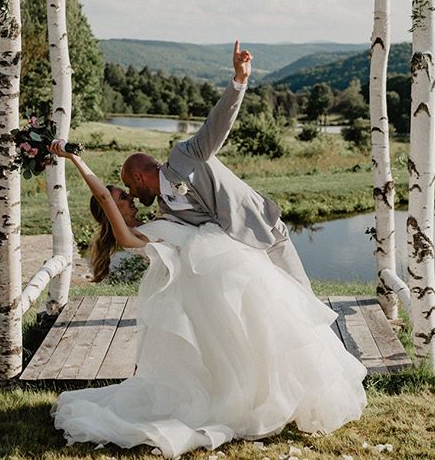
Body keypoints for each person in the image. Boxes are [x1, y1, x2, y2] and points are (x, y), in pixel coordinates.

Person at [48, 146, 367, 457]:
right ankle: (248, 405)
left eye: (126, 191)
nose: (129, 197)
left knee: (261, 337)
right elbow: (103, 195)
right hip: (212, 286)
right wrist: (76, 160)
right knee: (243, 347)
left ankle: (279, 401)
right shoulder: (130, 235)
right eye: (122, 196)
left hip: (223, 279)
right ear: (110, 208)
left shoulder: (158, 218)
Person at [119, 40, 311, 288]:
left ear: (139, 177)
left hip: (263, 230)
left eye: (129, 185)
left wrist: (239, 80)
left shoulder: (184, 156)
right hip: (240, 258)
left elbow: (217, 125)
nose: (131, 193)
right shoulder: (165, 209)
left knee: (300, 292)